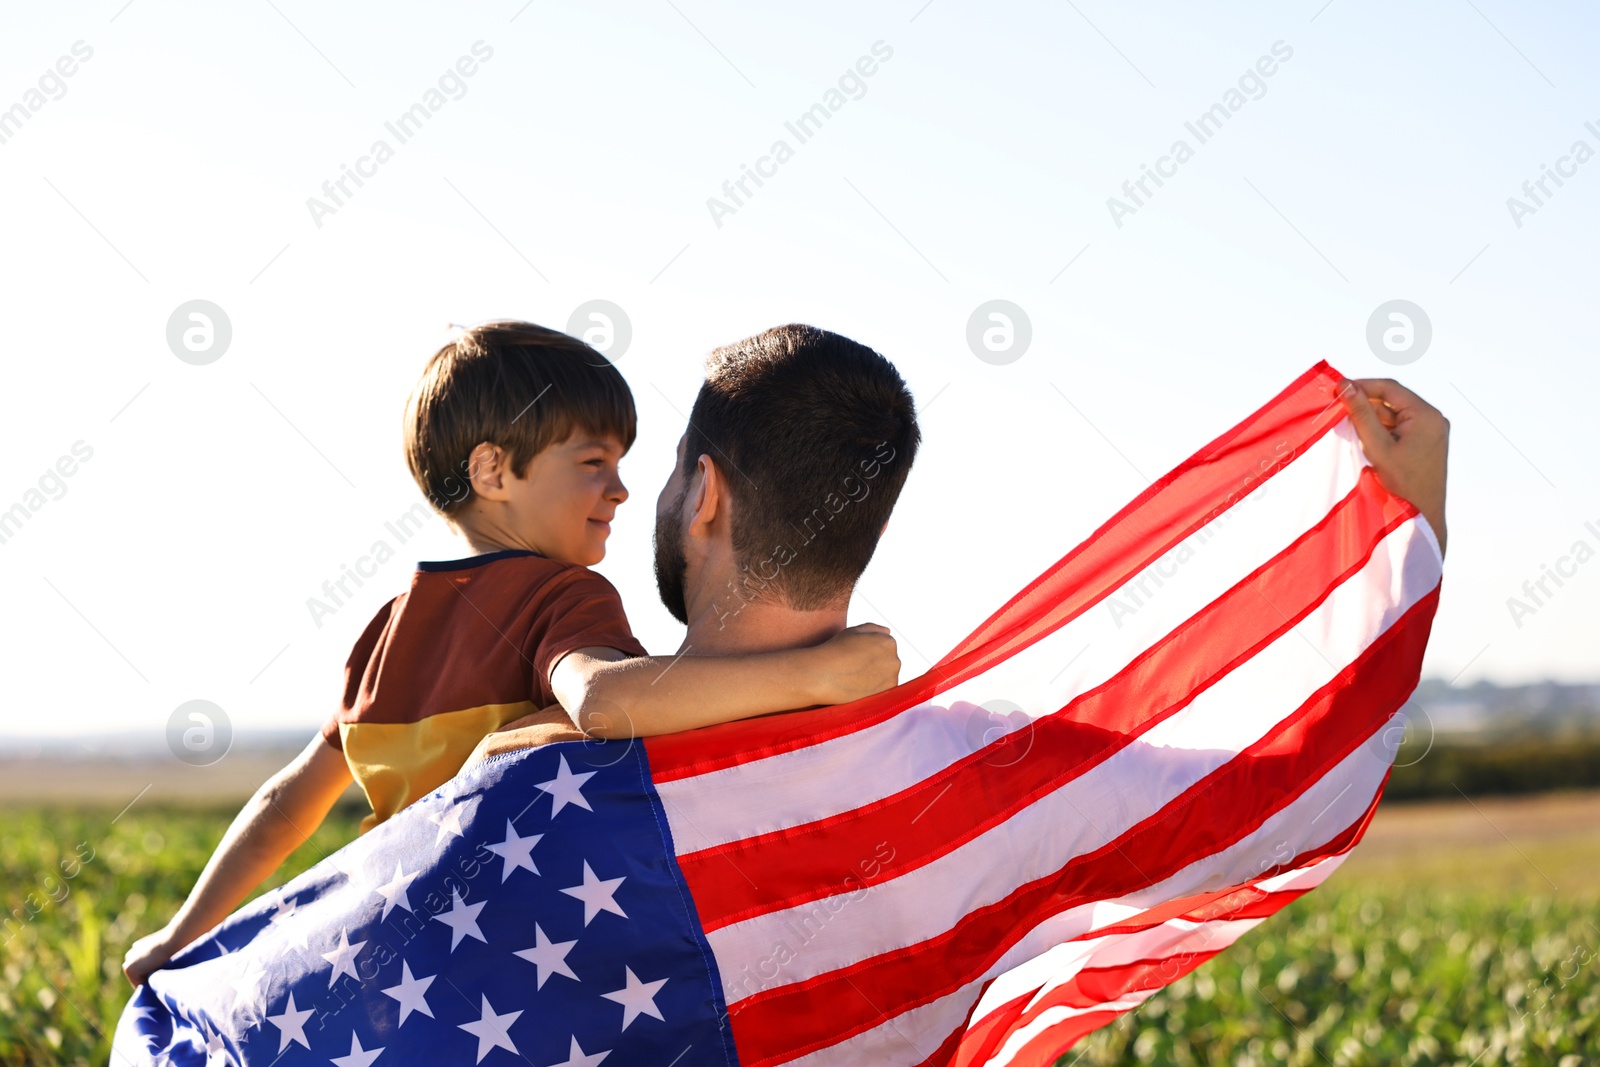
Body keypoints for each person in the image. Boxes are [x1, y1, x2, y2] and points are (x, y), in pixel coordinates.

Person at [121, 321, 900, 986]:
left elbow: (284, 804)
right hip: (511, 957)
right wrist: (819, 672)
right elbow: (605, 699)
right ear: (493, 469)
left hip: (399, 951)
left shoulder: (382, 630)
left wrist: (180, 934)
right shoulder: (561, 598)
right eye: (594, 463)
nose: (622, 490)